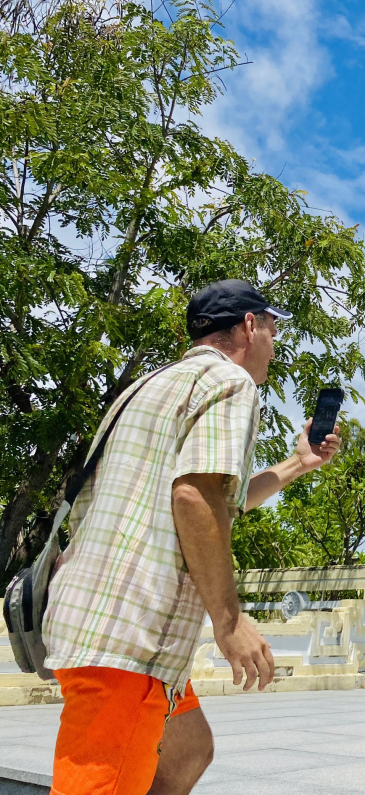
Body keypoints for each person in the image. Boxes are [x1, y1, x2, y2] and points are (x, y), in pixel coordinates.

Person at [42, 279, 343, 795]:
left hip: (94, 616)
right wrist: (230, 622)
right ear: (250, 325)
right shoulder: (230, 382)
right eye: (272, 328)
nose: (273, 342)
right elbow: (194, 498)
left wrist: (298, 463)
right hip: (131, 637)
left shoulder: (149, 386)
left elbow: (213, 495)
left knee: (188, 750)